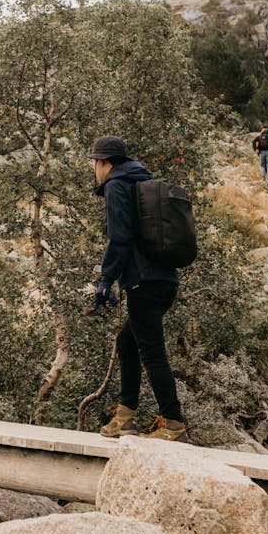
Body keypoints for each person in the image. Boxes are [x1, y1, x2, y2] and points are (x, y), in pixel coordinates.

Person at [86, 136, 187, 442]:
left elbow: (120, 237)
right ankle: (124, 418)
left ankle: (173, 424)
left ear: (104, 162)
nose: (93, 167)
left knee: (152, 353)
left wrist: (105, 281)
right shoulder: (141, 180)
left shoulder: (116, 185)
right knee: (127, 344)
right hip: (165, 280)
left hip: (144, 283)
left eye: (94, 162)